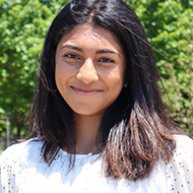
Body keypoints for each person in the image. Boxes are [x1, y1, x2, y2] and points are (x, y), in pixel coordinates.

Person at [0, 0, 193, 192]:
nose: (86, 75)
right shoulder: (17, 165)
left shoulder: (175, 160)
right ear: (52, 62)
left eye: (105, 60)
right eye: (72, 56)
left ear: (129, 71)